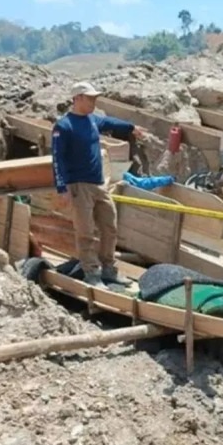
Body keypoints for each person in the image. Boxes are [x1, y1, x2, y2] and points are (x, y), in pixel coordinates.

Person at [51, 81, 145, 289]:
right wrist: (62, 188)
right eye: (90, 98)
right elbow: (58, 158)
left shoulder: (92, 120)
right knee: (85, 231)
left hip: (98, 183)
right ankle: (91, 273)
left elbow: (109, 122)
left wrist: (131, 127)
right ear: (77, 99)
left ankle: (109, 269)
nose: (94, 102)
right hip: (78, 185)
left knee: (109, 226)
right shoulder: (64, 126)